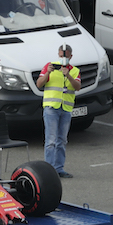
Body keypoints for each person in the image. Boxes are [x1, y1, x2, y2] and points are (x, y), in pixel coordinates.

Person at [36, 44, 82, 178]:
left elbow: (77, 87)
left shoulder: (74, 70)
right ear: (58, 54)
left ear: (71, 56)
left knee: (62, 140)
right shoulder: (49, 66)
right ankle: (49, 170)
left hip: (66, 108)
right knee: (50, 140)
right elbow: (39, 84)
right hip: (51, 107)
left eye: (66, 56)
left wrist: (69, 76)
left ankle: (59, 168)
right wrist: (48, 73)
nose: (63, 59)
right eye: (61, 56)